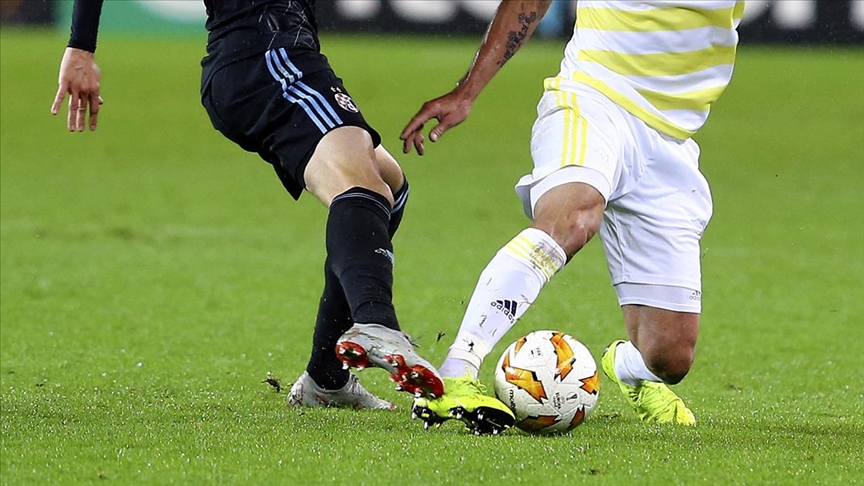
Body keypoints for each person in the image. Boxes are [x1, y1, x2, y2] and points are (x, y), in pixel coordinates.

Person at [51, 0, 444, 410]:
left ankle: (326, 378)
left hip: (272, 56)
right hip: (266, 56)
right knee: (362, 188)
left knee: (389, 187)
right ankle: (376, 322)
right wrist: (80, 47)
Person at [401, 0, 744, 431]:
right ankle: (456, 371)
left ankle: (628, 369)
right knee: (571, 219)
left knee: (669, 357)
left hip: (671, 141)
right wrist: (467, 91)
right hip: (594, 100)